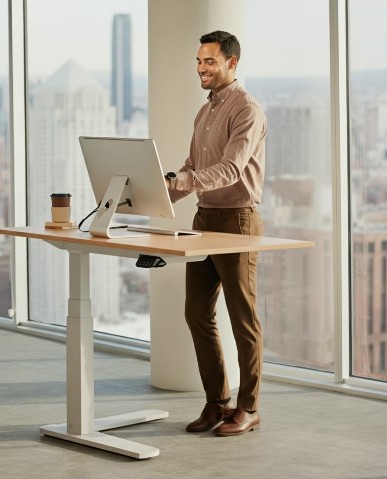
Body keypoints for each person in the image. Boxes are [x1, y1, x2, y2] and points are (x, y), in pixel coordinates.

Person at [165, 30, 267, 437]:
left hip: (237, 220)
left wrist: (181, 180)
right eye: (198, 61)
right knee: (197, 312)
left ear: (232, 63)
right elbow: (192, 164)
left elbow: (229, 170)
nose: (201, 69)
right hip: (204, 218)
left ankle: (249, 407)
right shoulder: (204, 111)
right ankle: (217, 402)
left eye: (209, 61)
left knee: (243, 319)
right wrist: (162, 195)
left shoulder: (247, 109)